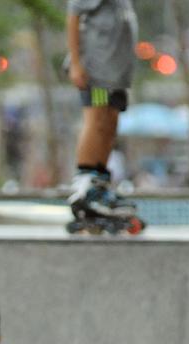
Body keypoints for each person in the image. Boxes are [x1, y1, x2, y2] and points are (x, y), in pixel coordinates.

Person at [65, 0, 138, 223]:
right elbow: (73, 16)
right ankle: (84, 184)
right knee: (97, 119)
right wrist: (76, 63)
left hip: (116, 74)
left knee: (111, 123)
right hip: (98, 72)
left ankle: (100, 183)